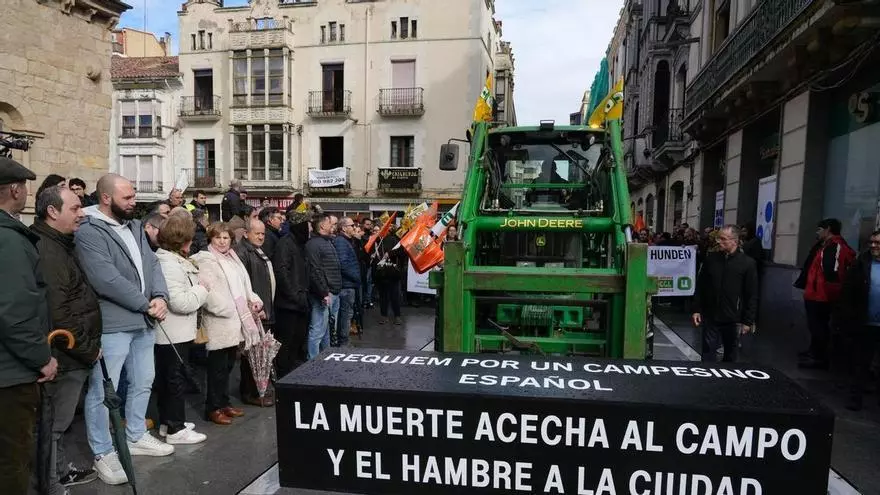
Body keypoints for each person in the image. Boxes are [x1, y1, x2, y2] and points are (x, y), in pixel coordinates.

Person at [75, 174, 172, 486]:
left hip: (144, 320)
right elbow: (105, 278)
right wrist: (146, 304)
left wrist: (161, 297)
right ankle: (103, 451)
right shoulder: (89, 230)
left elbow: (152, 264)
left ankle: (135, 435)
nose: (134, 202)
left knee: (143, 381)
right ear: (106, 198)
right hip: (114, 323)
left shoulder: (135, 226)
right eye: (127, 197)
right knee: (104, 391)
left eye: (133, 196)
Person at [31, 185, 103, 491]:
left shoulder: (59, 243)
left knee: (57, 425)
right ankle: (51, 484)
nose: (82, 213)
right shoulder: (48, 250)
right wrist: (88, 349)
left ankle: (59, 473)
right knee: (53, 426)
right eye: (74, 208)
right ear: (52, 211)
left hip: (72, 354)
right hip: (66, 355)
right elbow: (57, 312)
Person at [0, 157, 58, 494]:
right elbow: (14, 310)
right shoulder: (8, 239)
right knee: (12, 461)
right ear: (14, 190)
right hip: (10, 373)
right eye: (24, 187)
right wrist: (42, 358)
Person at [191, 222, 262, 425]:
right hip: (220, 322)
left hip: (235, 321)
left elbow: (244, 285)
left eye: (226, 238)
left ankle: (224, 403)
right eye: (218, 238)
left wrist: (253, 300)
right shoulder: (206, 260)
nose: (222, 242)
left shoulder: (232, 257)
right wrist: (227, 309)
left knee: (229, 365)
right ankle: (213, 408)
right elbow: (208, 292)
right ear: (210, 239)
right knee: (217, 369)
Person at [154, 215, 209, 444]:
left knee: (170, 379)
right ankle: (175, 429)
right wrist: (202, 290)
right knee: (174, 380)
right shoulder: (169, 264)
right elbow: (180, 302)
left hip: (176, 332)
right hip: (172, 332)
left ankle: (169, 423)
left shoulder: (172, 260)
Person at [794, 218, 855, 369]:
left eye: (819, 229)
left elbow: (832, 273)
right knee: (815, 325)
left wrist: (829, 295)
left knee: (819, 326)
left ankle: (819, 357)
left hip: (821, 296)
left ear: (827, 229)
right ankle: (814, 352)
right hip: (816, 293)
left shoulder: (834, 246)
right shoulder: (825, 245)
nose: (817, 232)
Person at [691, 225, 758, 362]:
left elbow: (751, 294)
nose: (719, 242)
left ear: (734, 241)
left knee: (731, 355)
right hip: (711, 314)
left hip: (733, 318)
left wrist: (748, 321)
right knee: (708, 353)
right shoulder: (711, 259)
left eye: (723, 239)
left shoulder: (747, 263)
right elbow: (701, 285)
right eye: (718, 238)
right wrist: (696, 309)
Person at [234, 218, 276, 407]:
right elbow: (244, 284)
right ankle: (251, 392)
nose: (260, 237)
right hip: (254, 311)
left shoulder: (257, 250)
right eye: (257, 233)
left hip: (263, 308)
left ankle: (259, 389)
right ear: (246, 233)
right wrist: (255, 307)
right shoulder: (243, 252)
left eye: (263, 233)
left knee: (260, 353)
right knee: (251, 355)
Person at [840, 230, 880, 410]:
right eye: (871, 242)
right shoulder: (861, 263)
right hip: (865, 323)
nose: (873, 245)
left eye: (877, 243)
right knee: (861, 362)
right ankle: (855, 398)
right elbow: (848, 292)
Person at [273, 208, 311, 375]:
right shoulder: (285, 244)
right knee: (286, 341)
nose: (310, 229)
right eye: (307, 225)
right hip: (288, 305)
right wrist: (295, 296)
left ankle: (290, 372)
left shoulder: (300, 244)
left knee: (298, 339)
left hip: (300, 302)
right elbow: (282, 273)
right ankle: (283, 374)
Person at [305, 211, 342, 359]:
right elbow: (315, 271)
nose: (332, 225)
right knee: (318, 330)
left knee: (327, 330)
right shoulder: (314, 245)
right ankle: (313, 360)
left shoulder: (327, 241)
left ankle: (326, 358)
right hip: (324, 294)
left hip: (332, 291)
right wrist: (323, 293)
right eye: (329, 222)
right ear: (321, 226)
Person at [333, 217, 361, 347]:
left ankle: (343, 341)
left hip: (349, 284)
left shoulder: (347, 241)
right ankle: (343, 343)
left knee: (347, 314)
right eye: (352, 225)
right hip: (346, 285)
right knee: (345, 315)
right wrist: (356, 277)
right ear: (344, 228)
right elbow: (343, 264)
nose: (355, 227)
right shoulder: (341, 242)